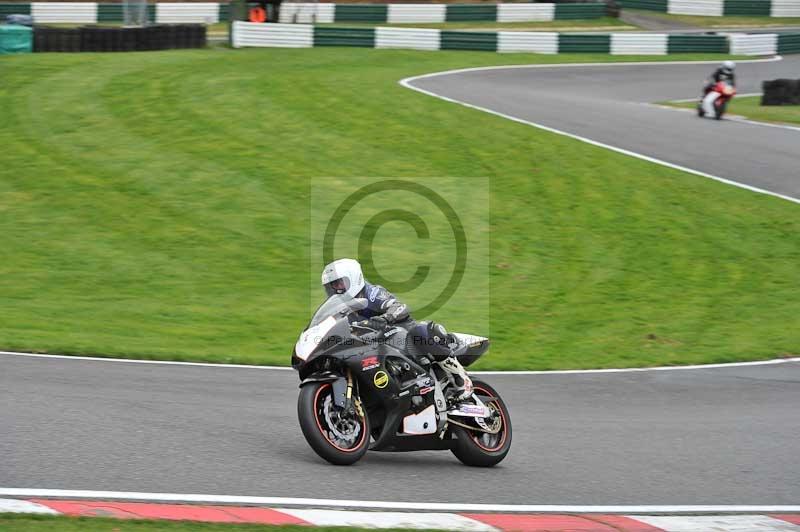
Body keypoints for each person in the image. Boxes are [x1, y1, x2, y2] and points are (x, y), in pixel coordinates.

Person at [321, 258, 473, 402]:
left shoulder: (371, 293)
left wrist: (386, 318)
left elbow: (400, 306)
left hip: (400, 334)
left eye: (339, 283)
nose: (336, 289)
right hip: (373, 347)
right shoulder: (340, 309)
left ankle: (461, 379)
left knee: (421, 331)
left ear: (353, 278)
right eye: (332, 286)